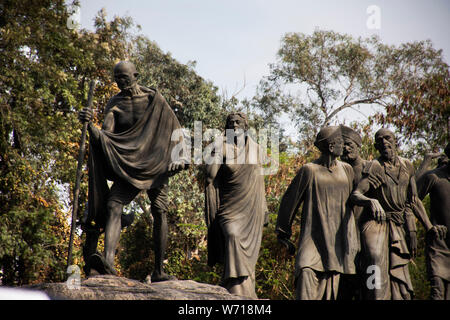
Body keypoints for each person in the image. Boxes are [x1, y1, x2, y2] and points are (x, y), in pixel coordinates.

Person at [78, 61, 186, 281]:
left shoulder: (154, 100)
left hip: (156, 166)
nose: (120, 82)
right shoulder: (115, 104)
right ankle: (108, 262)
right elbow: (107, 138)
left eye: (124, 78)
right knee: (113, 204)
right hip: (129, 167)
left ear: (136, 75)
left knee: (159, 211)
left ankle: (159, 270)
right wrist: (90, 126)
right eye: (117, 78)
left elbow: (176, 130)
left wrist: (180, 156)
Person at [350, 128, 445, 299]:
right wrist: (371, 201)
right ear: (376, 146)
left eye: (387, 138)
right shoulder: (374, 167)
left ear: (395, 141)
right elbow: (356, 194)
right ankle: (375, 296)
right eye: (380, 140)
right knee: (374, 258)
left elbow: (414, 200)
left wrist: (428, 227)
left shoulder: (407, 165)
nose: (384, 142)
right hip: (376, 223)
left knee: (399, 275)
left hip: (397, 225)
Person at [276, 126, 358, 300]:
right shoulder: (309, 170)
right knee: (305, 270)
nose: (343, 146)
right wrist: (283, 233)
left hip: (337, 241)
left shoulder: (347, 170)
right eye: (340, 142)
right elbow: (290, 200)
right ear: (330, 146)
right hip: (312, 238)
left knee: (331, 287)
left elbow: (355, 201)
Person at [204, 112, 268, 298]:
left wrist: (264, 208)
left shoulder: (256, 149)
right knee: (232, 235)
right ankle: (233, 286)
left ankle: (246, 291)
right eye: (231, 122)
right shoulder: (222, 148)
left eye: (238, 122)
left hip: (252, 208)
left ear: (246, 125)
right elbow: (209, 176)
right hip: (229, 208)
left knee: (249, 253)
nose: (235, 124)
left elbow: (260, 181)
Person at [338, 125, 371, 300]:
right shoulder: (337, 170)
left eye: (349, 144)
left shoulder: (369, 168)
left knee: (368, 279)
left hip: (365, 230)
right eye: (342, 145)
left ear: (358, 146)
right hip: (342, 231)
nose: (346, 148)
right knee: (345, 281)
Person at [416, 143, 450, 300]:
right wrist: (429, 226)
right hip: (439, 246)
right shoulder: (434, 177)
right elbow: (412, 198)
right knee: (437, 293)